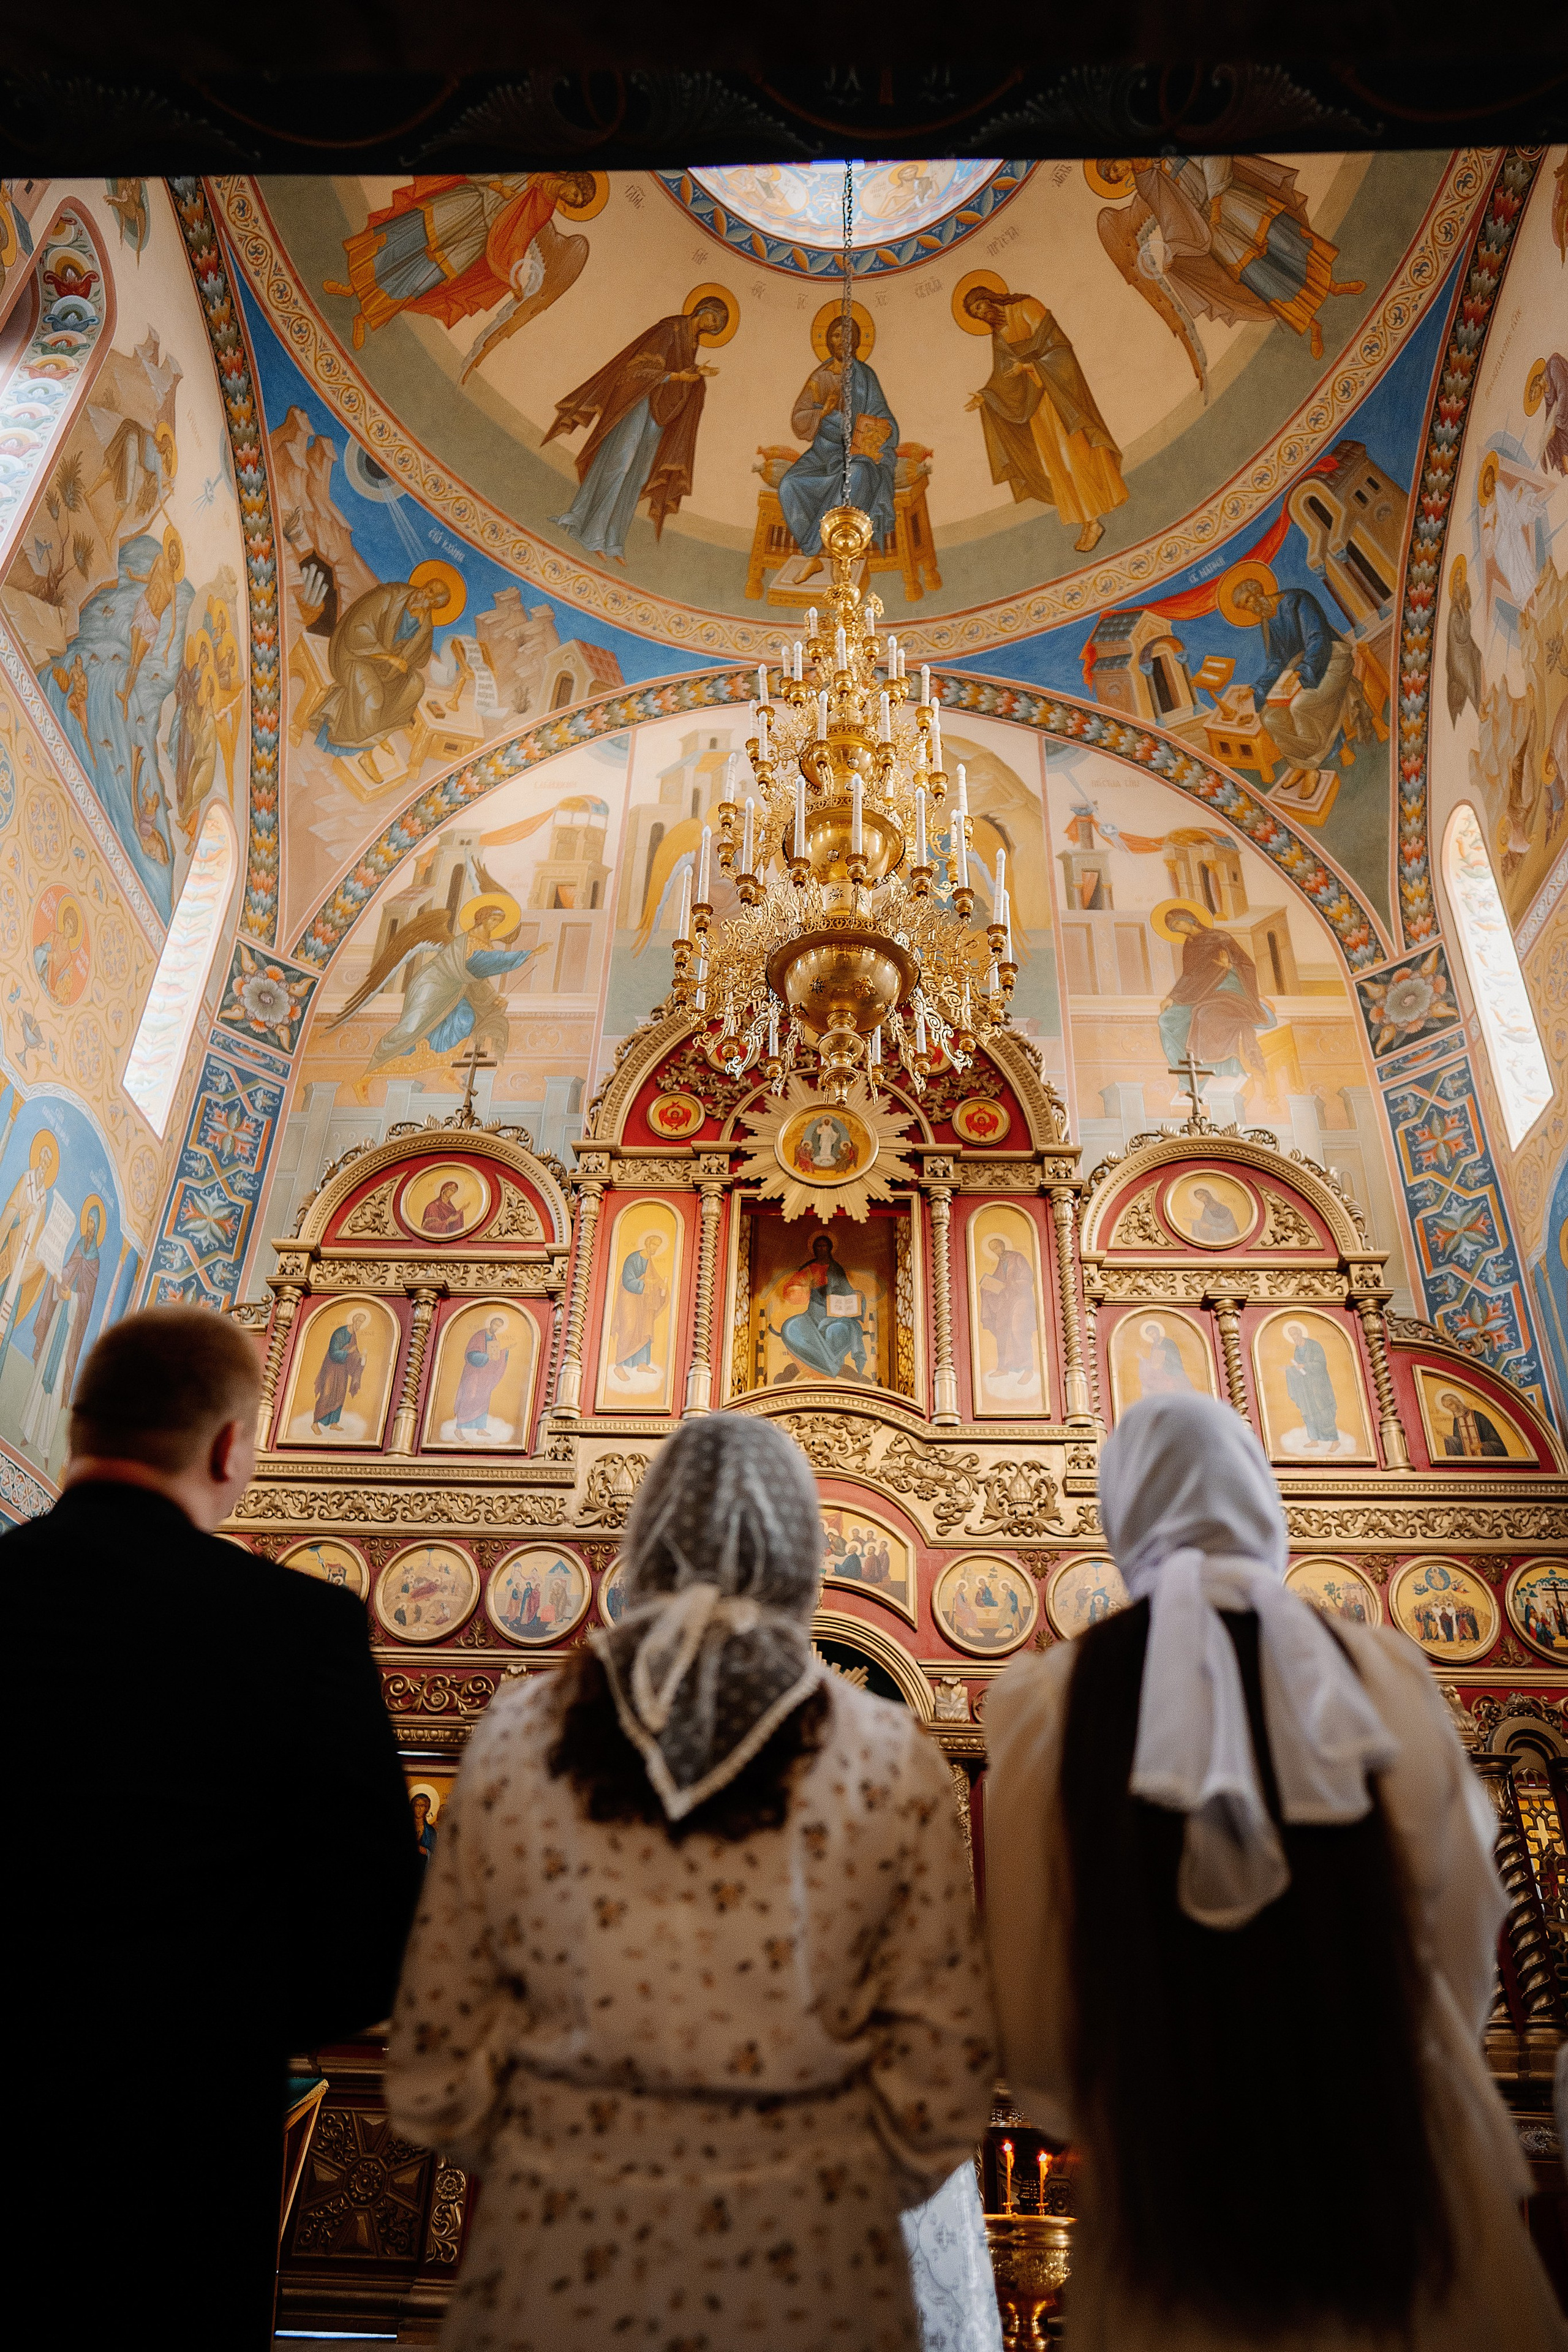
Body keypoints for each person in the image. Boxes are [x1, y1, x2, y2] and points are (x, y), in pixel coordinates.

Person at [386, 1414, 997, 2351]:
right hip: (809, 2281)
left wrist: (569, 2145)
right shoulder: (888, 1759)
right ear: (804, 1554)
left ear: (647, 1541)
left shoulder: (516, 1739)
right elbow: (942, 2097)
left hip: (558, 2270)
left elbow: (433, 2072)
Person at [985, 1392, 1566, 2352]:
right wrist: (1397, 2057)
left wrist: (1132, 2093)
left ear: (1123, 1512)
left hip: (1172, 2193)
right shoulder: (1384, 1674)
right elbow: (1470, 1930)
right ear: (1260, 1497)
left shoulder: (1051, 1702)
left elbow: (1037, 2018)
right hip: (1409, 2173)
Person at [13, 1306, 421, 2348]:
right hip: (170, 2170)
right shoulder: (297, 1627)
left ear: (77, 1421)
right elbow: (370, 1942)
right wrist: (217, 2024)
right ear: (231, 1445)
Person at [962, 283, 1127, 554]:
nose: (981, 315)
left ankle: (1093, 519)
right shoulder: (999, 331)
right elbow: (1002, 374)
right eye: (975, 314)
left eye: (979, 307)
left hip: (1061, 397)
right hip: (1036, 403)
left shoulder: (1027, 307)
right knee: (1055, 463)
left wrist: (1029, 366)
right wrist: (986, 396)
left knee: (1074, 455)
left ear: (989, 298)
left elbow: (1060, 349)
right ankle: (1086, 520)